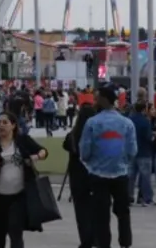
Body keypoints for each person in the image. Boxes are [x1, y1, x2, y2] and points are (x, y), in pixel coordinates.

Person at [0, 111, 49, 248]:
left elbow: (43, 151)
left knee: (15, 230)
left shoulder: (23, 141)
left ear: (13, 125)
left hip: (18, 195)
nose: (1, 125)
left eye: (5, 122)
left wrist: (34, 157)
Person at [79, 84, 138, 248]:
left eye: (97, 98)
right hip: (120, 173)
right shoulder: (127, 123)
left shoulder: (92, 123)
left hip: (98, 174)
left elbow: (84, 150)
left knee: (101, 215)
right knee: (123, 213)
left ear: (104, 99)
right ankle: (125, 243)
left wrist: (90, 162)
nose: (95, 101)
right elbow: (132, 150)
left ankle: (104, 244)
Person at [64, 104, 97, 248]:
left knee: (81, 210)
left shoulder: (73, 135)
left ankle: (85, 240)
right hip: (94, 174)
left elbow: (66, 146)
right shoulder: (96, 133)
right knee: (95, 208)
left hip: (77, 176)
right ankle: (96, 237)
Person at [127, 102, 155, 206]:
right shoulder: (145, 121)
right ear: (144, 110)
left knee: (130, 176)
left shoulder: (130, 120)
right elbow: (148, 137)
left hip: (131, 151)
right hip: (144, 151)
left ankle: (129, 196)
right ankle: (146, 198)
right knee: (145, 177)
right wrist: (153, 137)